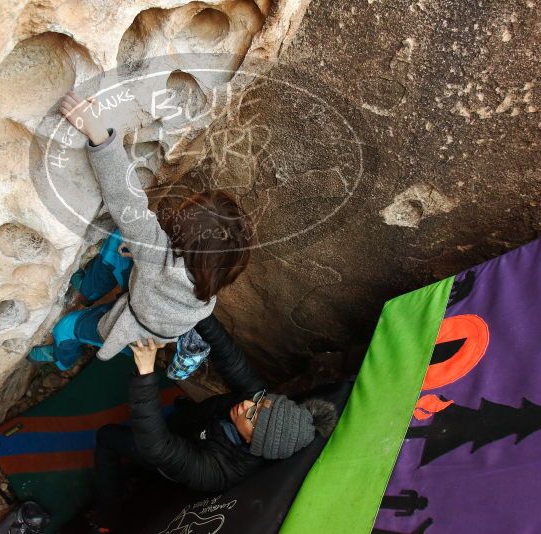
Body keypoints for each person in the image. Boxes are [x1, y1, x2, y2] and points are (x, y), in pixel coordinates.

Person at [29, 89, 253, 369]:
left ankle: (62, 359)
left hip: (125, 324)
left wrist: (98, 133)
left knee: (67, 328)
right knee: (118, 244)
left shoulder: (156, 259)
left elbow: (126, 201)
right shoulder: (211, 278)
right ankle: (88, 290)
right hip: (152, 309)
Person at [87, 314, 339, 533]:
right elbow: (230, 357)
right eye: (261, 403)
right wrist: (201, 311)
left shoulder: (219, 472)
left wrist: (145, 373)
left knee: (108, 437)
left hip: (169, 457)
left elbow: (158, 447)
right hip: (190, 426)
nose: (248, 405)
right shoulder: (255, 400)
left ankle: (108, 518)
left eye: (253, 416)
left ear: (253, 441)